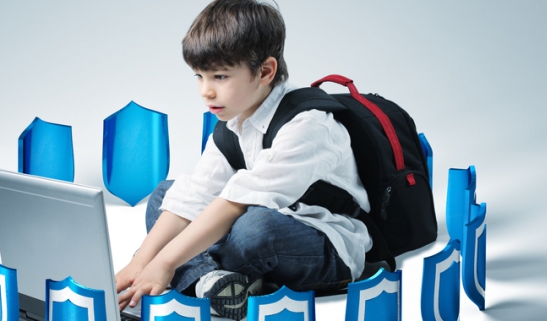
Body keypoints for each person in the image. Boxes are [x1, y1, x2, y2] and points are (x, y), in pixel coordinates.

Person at [114, 0, 373, 319]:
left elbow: (235, 205)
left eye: (220, 77)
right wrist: (140, 263)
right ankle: (214, 282)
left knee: (255, 227)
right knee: (167, 194)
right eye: (199, 76)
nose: (205, 92)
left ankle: (197, 274)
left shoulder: (309, 126)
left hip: (323, 244)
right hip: (254, 223)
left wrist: (164, 263)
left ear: (265, 71)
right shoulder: (233, 123)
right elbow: (195, 194)